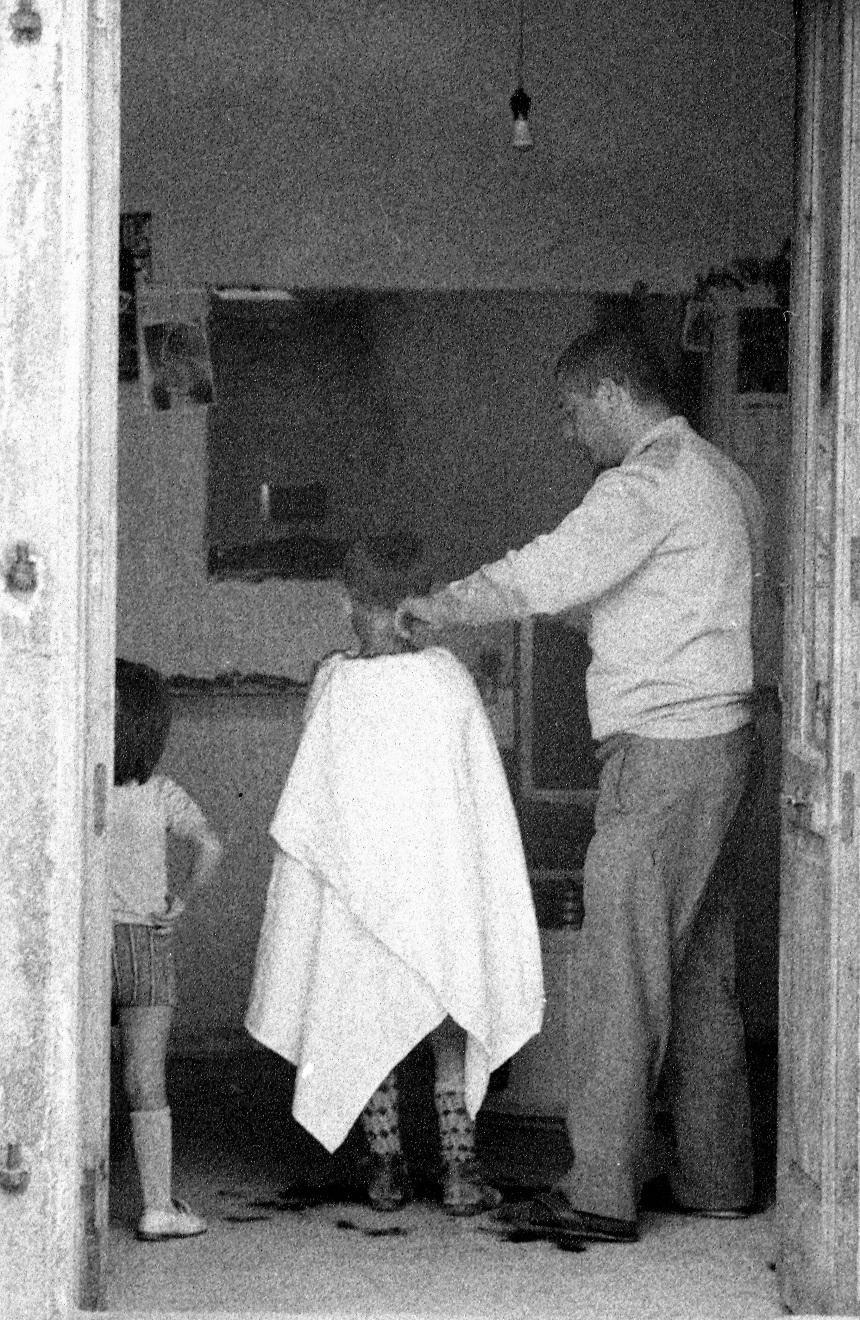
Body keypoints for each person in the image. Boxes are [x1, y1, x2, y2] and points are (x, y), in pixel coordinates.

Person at [395, 322, 765, 1244]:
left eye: (571, 412)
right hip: (724, 744)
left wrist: (438, 607)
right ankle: (716, 1178)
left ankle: (598, 1191)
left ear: (611, 394)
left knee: (617, 973)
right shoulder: (724, 478)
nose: (568, 432)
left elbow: (549, 571)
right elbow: (644, 604)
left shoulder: (645, 484)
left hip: (663, 755)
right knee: (699, 972)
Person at [245, 542, 544, 1216]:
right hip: (438, 894)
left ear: (344, 602)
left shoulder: (333, 683)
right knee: (449, 1025)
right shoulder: (447, 678)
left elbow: (314, 806)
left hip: (359, 900)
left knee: (366, 1020)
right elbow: (479, 800)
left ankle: (385, 1167)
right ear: (424, 601)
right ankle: (460, 1171)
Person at [111, 658, 223, 1241]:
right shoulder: (161, 793)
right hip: (147, 948)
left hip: (90, 946)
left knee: (80, 1073)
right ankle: (158, 1205)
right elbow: (210, 845)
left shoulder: (82, 789)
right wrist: (180, 900)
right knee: (145, 1080)